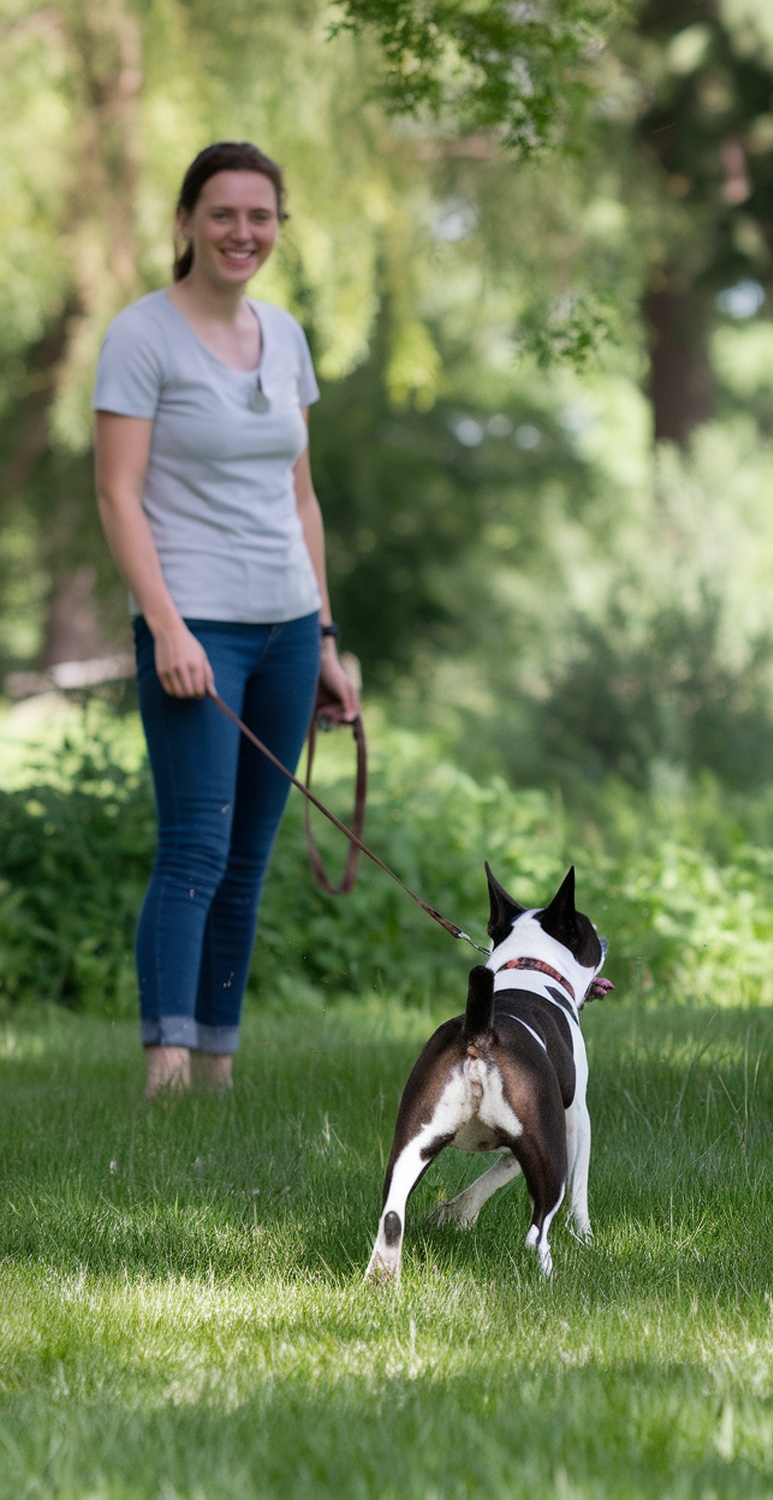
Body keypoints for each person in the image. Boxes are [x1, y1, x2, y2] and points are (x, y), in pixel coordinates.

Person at [93, 141, 359, 1097]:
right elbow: (118, 495)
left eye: (260, 216)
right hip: (193, 623)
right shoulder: (142, 336)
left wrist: (326, 639)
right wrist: (165, 626)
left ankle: (218, 1071)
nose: (242, 232)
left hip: (288, 624)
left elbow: (303, 500)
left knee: (249, 857)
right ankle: (165, 1072)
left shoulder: (285, 334)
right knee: (196, 848)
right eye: (223, 214)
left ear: (278, 227)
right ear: (187, 222)